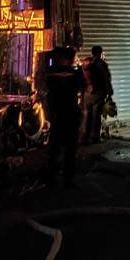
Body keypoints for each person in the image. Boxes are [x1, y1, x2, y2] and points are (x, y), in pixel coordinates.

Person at [46, 45, 85, 185]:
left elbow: (48, 91)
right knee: (70, 148)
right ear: (70, 59)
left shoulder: (51, 73)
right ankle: (67, 178)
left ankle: (52, 177)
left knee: (55, 147)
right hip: (70, 113)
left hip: (57, 114)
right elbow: (82, 88)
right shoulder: (75, 73)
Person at [80, 45, 113, 144]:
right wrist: (110, 92)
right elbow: (106, 79)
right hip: (98, 93)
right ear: (100, 53)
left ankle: (84, 137)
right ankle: (94, 137)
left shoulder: (85, 63)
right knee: (96, 116)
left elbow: (81, 78)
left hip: (87, 93)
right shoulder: (101, 64)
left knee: (87, 115)